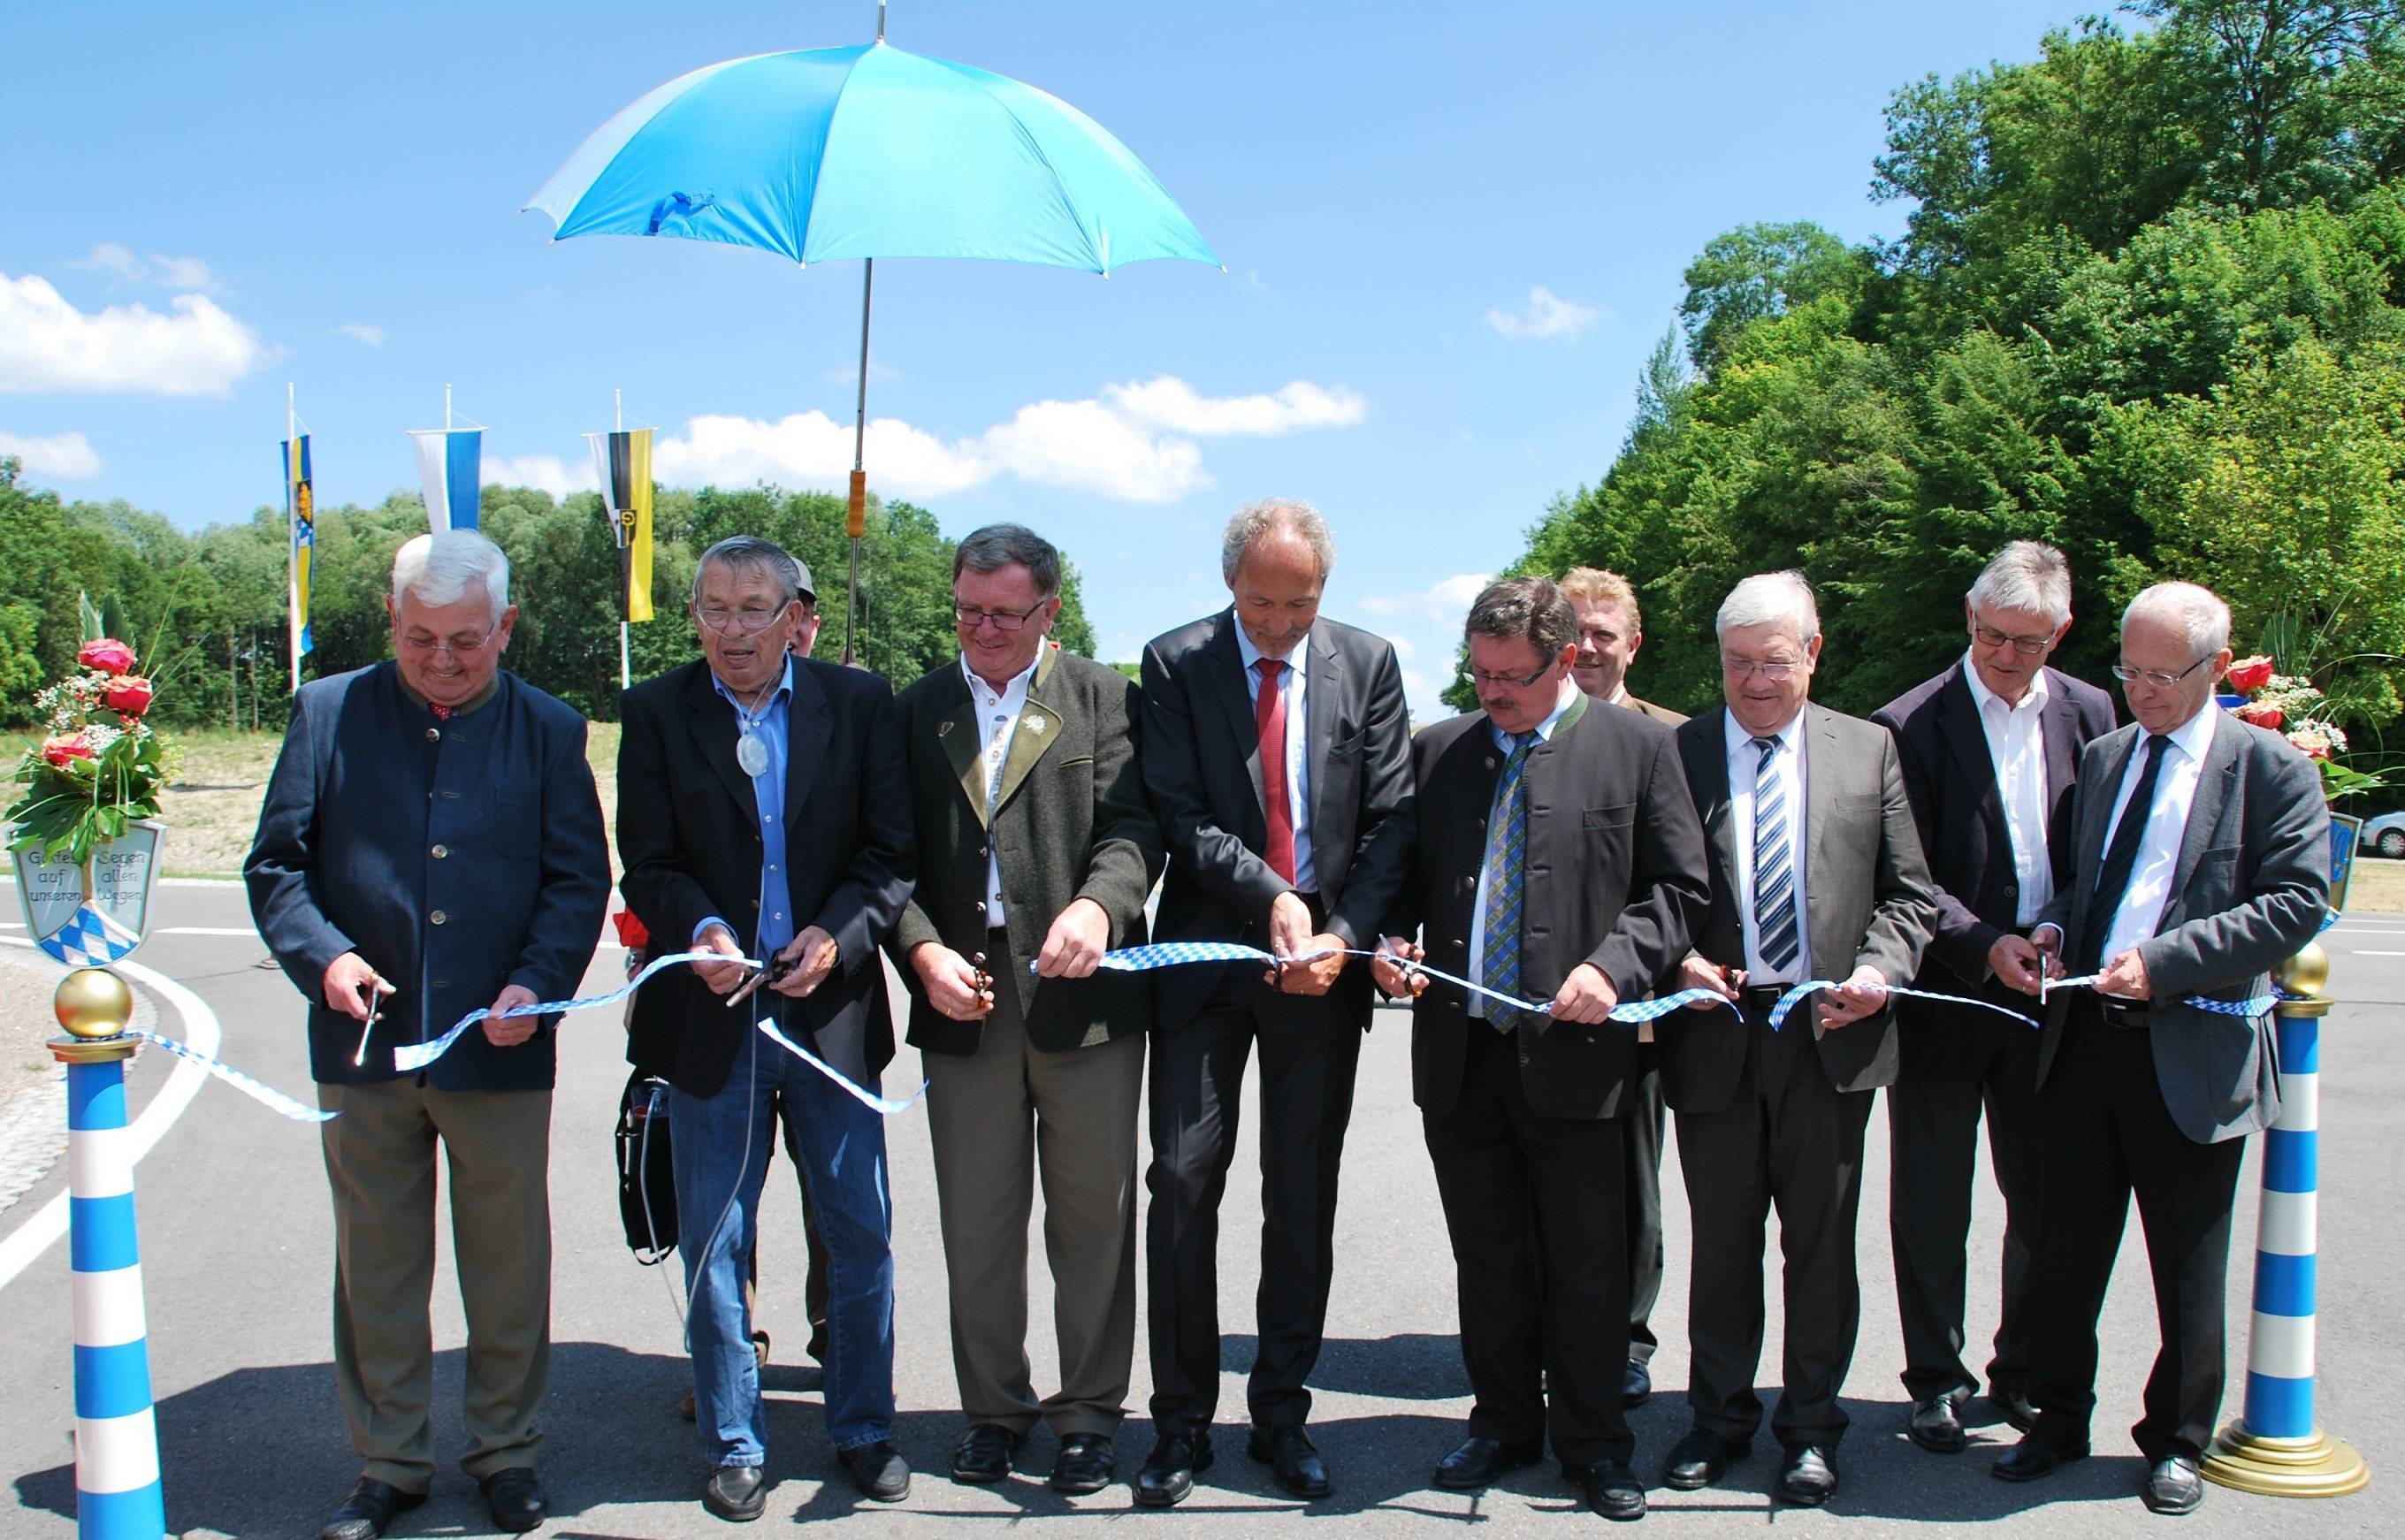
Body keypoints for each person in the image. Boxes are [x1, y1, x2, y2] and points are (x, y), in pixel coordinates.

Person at [247, 530, 610, 1540]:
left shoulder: (548, 728)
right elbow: (277, 865)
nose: (442, 660)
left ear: (505, 627)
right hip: (363, 1047)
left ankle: (506, 1450)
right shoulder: (326, 712)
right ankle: (390, 1461)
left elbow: (577, 879)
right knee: (377, 1265)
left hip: (498, 1047)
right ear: (390, 619)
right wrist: (322, 956)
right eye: (419, 639)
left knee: (507, 1263)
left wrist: (535, 984)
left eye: (465, 640)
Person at [1373, 577, 1707, 1521]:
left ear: (1566, 659)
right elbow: (1396, 880)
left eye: (1510, 676)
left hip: (1580, 1055)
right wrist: (1390, 947)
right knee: (1488, 1255)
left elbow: (1678, 890)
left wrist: (1613, 967)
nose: (1491, 693)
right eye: (1478, 674)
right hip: (1462, 1054)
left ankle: (1595, 1444)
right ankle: (1503, 1418)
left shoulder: (1640, 748)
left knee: (1587, 1260)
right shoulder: (1439, 751)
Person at [1992, 581, 2329, 1515]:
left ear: (2215, 668)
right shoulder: (2102, 759)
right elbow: (2084, 887)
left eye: (2161, 674)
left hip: (2190, 1050)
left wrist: (2166, 963)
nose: (2140, 690)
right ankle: (2053, 1419)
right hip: (2083, 1043)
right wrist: (2053, 932)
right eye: (2127, 670)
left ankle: (2175, 1439)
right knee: (2059, 1249)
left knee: (2184, 1262)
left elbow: (2293, 903)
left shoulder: (2269, 770)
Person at [616, 535, 916, 1522]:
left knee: (859, 1232)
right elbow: (648, 861)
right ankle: (733, 1440)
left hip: (829, 1014)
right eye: (712, 607)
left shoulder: (859, 704)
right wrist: (698, 925)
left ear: (795, 614)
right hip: (715, 1016)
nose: (732, 628)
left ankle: (863, 1425)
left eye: (753, 608)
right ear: (692, 614)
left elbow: (888, 855)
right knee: (716, 1237)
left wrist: (835, 936)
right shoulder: (655, 711)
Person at [1134, 498, 1414, 1506]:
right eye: (1259, 602)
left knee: (1299, 1194)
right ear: (1228, 585)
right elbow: (1179, 812)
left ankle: (1281, 1415)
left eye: (1298, 603)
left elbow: (1390, 820)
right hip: (1208, 959)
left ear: (1323, 592)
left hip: (1321, 972)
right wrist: (1275, 897)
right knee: (1180, 1179)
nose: (1278, 623)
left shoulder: (1369, 663)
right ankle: (1178, 1423)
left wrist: (1338, 934)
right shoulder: (1174, 663)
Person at [889, 524, 1164, 1494]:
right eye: (967, 610)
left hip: (1084, 999)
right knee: (978, 1219)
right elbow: (889, 858)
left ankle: (1088, 1414)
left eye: (1004, 613)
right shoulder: (919, 708)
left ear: (1050, 609)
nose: (982, 630)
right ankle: (992, 1411)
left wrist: (1099, 904)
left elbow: (1135, 829)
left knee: (1092, 1216)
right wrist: (918, 946)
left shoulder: (1103, 698)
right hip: (961, 996)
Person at [1661, 570, 1935, 1507]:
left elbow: (1909, 895)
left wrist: (1877, 973)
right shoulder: (1680, 751)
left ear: (1811, 652)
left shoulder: (1868, 751)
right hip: (1715, 1034)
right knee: (1722, 1245)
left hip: (1831, 1034)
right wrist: (1676, 961)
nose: (1753, 681)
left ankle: (1811, 1427)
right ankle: (1717, 1418)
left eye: (1772, 662)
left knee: (1819, 1250)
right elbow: (1643, 889)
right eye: (1735, 663)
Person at [1869, 540, 2117, 1454]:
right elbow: (1901, 873)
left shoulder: (2092, 711)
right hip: (1943, 996)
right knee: (1931, 1201)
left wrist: (2050, 928)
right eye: (1988, 635)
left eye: (2027, 640)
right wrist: (1983, 944)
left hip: (2052, 999)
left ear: (2061, 632)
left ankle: (2018, 1370)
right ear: (1966, 619)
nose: (2004, 656)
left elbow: (2093, 847)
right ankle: (1933, 1378)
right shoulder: (1906, 722)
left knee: (2044, 1199)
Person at [1561, 565, 1684, 1408]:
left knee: (1633, 1187)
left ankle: (1628, 1338)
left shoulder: (1674, 740)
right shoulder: (1518, 731)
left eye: (1606, 633)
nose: (1590, 647)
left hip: (1636, 1013)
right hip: (1538, 1011)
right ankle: (1550, 1331)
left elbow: (1691, 878)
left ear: (1633, 644)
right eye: (1576, 631)